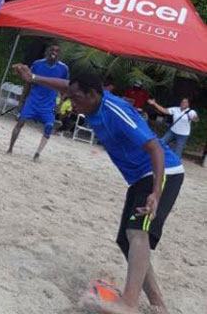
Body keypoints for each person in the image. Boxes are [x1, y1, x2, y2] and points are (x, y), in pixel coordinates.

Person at [12, 64, 184, 314]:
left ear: (93, 94)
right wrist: (34, 77)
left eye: (77, 98)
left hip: (162, 173)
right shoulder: (89, 99)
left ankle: (129, 302)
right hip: (139, 177)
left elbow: (155, 147)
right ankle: (158, 302)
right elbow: (68, 86)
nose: (73, 103)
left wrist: (156, 192)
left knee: (137, 233)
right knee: (127, 240)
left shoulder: (115, 110)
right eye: (71, 98)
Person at [6, 45, 69, 161]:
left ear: (60, 54)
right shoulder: (37, 64)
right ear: (47, 51)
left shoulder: (64, 69)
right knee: (20, 122)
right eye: (52, 49)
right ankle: (10, 148)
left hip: (49, 103)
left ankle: (37, 154)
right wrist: (22, 100)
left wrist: (59, 105)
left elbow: (65, 87)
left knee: (49, 127)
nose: (54, 52)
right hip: (33, 100)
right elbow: (28, 82)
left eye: (57, 51)